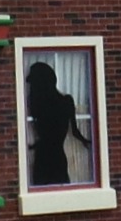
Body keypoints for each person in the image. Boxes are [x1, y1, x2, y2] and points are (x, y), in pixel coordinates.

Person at [25, 58, 82, 186]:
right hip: (56, 155)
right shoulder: (65, 101)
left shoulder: (40, 106)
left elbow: (49, 137)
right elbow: (74, 131)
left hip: (44, 157)